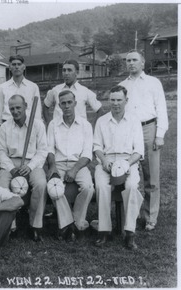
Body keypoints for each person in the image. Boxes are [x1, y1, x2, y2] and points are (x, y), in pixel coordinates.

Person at [119, 50, 168, 231]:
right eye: (128, 60)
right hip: (129, 131)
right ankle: (130, 214)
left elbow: (161, 109)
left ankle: (150, 217)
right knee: (128, 174)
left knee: (151, 176)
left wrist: (160, 134)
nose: (131, 63)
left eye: (134, 60)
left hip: (149, 128)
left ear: (143, 63)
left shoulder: (153, 83)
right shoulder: (122, 85)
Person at [93, 85, 144, 250]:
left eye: (119, 100)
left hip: (128, 160)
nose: (115, 103)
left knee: (132, 186)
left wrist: (126, 164)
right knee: (101, 185)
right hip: (106, 161)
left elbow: (139, 151)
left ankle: (129, 232)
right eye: (112, 100)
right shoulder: (102, 121)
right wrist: (105, 160)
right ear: (109, 101)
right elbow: (97, 147)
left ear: (126, 101)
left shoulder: (134, 120)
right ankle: (104, 231)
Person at [0, 94, 48, 241]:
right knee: (1, 184)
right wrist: (11, 168)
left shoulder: (38, 125)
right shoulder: (5, 127)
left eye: (18, 107)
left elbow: (42, 150)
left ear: (26, 106)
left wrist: (30, 167)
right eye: (12, 108)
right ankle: (10, 225)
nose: (15, 111)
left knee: (40, 184)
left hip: (33, 162)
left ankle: (35, 225)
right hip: (10, 162)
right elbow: (0, 152)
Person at [47, 90, 94, 241]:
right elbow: (49, 149)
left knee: (88, 187)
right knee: (54, 187)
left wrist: (74, 170)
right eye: (63, 103)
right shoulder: (53, 124)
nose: (66, 106)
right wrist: (52, 166)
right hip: (58, 164)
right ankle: (68, 224)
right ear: (59, 105)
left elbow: (87, 154)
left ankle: (76, 221)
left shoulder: (85, 125)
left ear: (75, 103)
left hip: (78, 165)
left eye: (69, 102)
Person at [43, 59, 102, 125]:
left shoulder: (84, 91)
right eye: (64, 70)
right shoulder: (56, 90)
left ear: (77, 72)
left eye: (69, 70)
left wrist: (92, 127)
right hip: (59, 130)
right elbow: (45, 106)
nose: (66, 73)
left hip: (78, 131)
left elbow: (99, 110)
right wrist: (48, 123)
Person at [0, 55, 42, 127]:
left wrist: (38, 125)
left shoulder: (33, 86)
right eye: (14, 64)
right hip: (7, 124)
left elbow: (37, 110)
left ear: (24, 67)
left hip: (28, 124)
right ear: (10, 67)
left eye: (19, 64)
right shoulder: (3, 87)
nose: (16, 67)